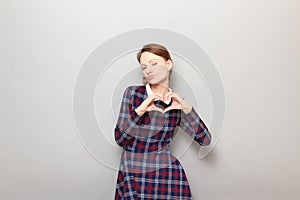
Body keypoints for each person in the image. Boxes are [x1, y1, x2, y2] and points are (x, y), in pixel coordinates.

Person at [114, 43, 212, 199]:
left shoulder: (177, 103)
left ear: (168, 64)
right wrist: (141, 109)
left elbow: (205, 140)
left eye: (154, 64)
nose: (149, 70)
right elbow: (120, 139)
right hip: (133, 173)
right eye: (144, 67)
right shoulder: (133, 93)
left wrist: (187, 108)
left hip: (167, 176)